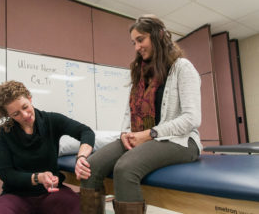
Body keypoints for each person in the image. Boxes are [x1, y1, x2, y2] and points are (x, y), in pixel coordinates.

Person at [79, 14, 203, 214]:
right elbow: (129, 113)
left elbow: (191, 118)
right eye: (133, 42)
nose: (136, 47)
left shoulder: (182, 68)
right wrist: (124, 134)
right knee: (89, 167)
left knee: (125, 168)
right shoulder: (141, 73)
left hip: (181, 140)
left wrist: (149, 134)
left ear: (158, 35)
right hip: (142, 138)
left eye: (140, 39)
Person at [0, 80, 95, 214]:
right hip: (16, 195)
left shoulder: (51, 120)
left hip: (51, 193)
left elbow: (86, 132)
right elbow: (7, 175)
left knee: (84, 209)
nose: (25, 115)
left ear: (30, 99)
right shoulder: (3, 133)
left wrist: (81, 156)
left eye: (25, 107)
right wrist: (38, 178)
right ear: (8, 115)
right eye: (16, 114)